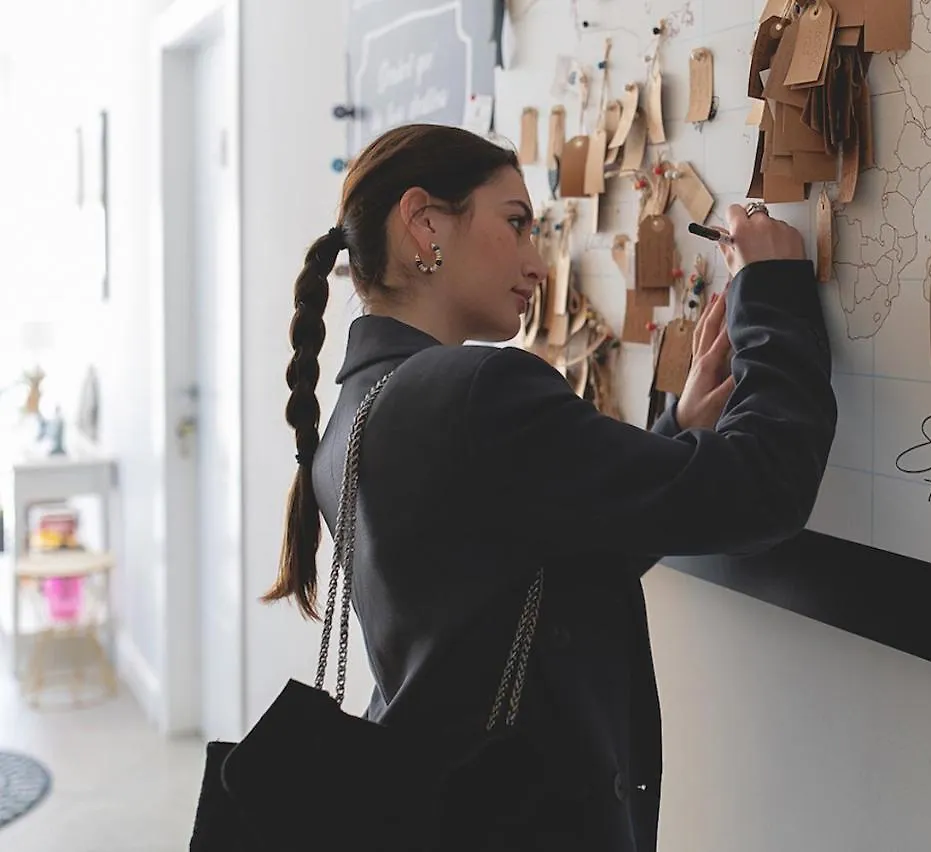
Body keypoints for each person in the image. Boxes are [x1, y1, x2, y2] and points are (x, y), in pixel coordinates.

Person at [262, 123, 837, 851]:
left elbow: (540, 568)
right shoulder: (478, 390)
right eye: (515, 224)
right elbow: (766, 488)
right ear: (423, 224)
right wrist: (773, 290)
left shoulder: (352, 411)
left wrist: (678, 431)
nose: (537, 264)